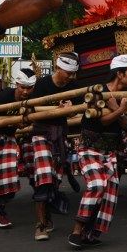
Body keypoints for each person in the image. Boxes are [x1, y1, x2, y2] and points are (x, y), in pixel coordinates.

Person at [68, 54, 127, 249]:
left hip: (110, 151)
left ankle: (92, 233)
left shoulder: (125, 98)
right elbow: (101, 122)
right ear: (120, 74)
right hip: (90, 148)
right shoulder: (98, 93)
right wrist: (118, 110)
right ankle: (77, 230)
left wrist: (119, 110)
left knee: (110, 191)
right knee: (97, 185)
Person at [0, 65, 35, 230]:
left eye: (29, 88)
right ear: (17, 84)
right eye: (23, 87)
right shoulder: (5, 96)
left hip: (9, 139)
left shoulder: (33, 99)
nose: (25, 91)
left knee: (9, 180)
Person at [30, 52, 79, 241]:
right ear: (58, 68)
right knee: (43, 179)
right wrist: (55, 110)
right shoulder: (42, 84)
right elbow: (34, 111)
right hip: (41, 134)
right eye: (67, 72)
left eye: (72, 73)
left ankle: (48, 217)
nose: (70, 77)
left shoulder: (74, 87)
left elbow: (80, 108)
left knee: (55, 179)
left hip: (60, 136)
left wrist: (70, 108)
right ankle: (40, 225)